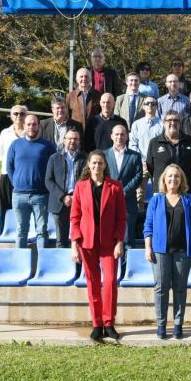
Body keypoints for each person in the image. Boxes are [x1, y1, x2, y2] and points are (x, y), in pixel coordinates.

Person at [70, 150, 126, 341]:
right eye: (93, 163)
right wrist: (74, 244)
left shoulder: (115, 187)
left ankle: (109, 322)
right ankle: (97, 323)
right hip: (87, 242)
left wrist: (120, 242)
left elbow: (121, 218)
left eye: (100, 163)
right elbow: (75, 217)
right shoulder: (80, 187)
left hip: (109, 243)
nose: (96, 166)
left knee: (110, 281)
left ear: (105, 165)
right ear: (88, 165)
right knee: (92, 282)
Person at [144, 164, 191, 339]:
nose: (173, 179)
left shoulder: (188, 200)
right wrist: (148, 247)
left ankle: (178, 325)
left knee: (180, 288)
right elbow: (148, 226)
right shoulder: (156, 200)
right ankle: (161, 325)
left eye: (177, 176)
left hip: (183, 251)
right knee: (161, 288)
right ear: (164, 179)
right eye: (169, 176)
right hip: (160, 251)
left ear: (181, 180)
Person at [7, 114, 56, 249]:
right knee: (21, 231)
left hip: (41, 196)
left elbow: (54, 168)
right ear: (24, 126)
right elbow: (9, 167)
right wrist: (16, 183)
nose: (31, 127)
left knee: (42, 231)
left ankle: (42, 265)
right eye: (28, 124)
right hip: (19, 195)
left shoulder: (48, 146)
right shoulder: (15, 145)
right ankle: (19, 264)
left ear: (39, 126)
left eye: (34, 124)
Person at [45, 128, 86, 248]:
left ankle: (78, 266)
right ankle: (62, 267)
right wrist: (63, 197)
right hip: (60, 203)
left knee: (79, 239)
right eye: (70, 138)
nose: (72, 141)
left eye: (76, 139)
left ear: (79, 141)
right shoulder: (54, 158)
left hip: (80, 202)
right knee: (61, 241)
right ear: (64, 141)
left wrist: (76, 197)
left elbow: (87, 181)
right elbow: (48, 180)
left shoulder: (85, 158)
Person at [104, 125, 142, 251]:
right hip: (108, 201)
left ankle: (126, 270)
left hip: (128, 202)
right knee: (109, 238)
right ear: (111, 136)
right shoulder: (104, 155)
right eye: (116, 134)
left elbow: (138, 176)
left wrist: (124, 192)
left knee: (128, 239)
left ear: (127, 136)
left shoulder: (135, 156)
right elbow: (101, 176)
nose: (119, 137)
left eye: (122, 134)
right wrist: (113, 191)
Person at [146, 110, 191, 195]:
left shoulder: (190, 141)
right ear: (164, 123)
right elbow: (150, 167)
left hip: (185, 190)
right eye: (169, 120)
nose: (173, 123)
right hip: (161, 191)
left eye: (176, 120)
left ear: (180, 123)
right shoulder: (154, 143)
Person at [129, 96, 164, 208]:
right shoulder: (136, 125)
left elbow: (163, 144)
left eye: (153, 104)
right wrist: (142, 160)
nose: (150, 106)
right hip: (141, 164)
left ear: (156, 107)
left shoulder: (162, 124)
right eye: (147, 103)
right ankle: (139, 221)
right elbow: (133, 144)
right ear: (143, 107)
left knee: (159, 193)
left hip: (157, 164)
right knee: (139, 194)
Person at [0, 105, 26, 215]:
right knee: (7, 205)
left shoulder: (31, 133)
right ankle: (5, 229)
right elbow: (0, 154)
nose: (19, 116)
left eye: (22, 114)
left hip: (24, 175)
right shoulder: (5, 133)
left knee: (22, 206)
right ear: (11, 116)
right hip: (7, 174)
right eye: (16, 113)